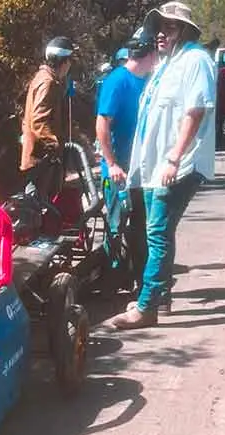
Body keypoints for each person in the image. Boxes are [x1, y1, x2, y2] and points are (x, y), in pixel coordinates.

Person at [110, 1, 217, 330]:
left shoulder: (196, 60)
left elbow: (195, 110)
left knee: (157, 231)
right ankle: (160, 298)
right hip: (156, 165)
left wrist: (174, 157)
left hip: (177, 164)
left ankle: (146, 307)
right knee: (159, 231)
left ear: (184, 30)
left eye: (168, 27)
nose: (160, 32)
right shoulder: (167, 64)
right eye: (158, 26)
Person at [95, 26, 157, 296]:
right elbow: (102, 123)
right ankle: (110, 280)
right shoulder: (117, 81)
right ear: (148, 53)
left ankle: (137, 279)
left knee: (141, 226)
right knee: (115, 225)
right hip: (119, 168)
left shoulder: (149, 80)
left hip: (142, 168)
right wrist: (112, 163)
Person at [20, 36, 78, 200]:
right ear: (64, 62)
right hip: (42, 158)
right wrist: (53, 145)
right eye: (70, 60)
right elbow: (39, 120)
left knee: (39, 203)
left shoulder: (43, 77)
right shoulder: (48, 82)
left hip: (40, 156)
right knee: (37, 204)